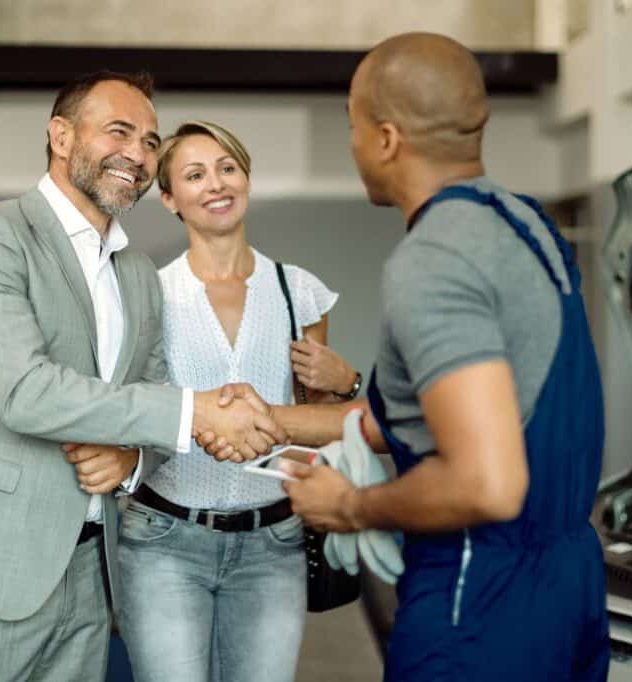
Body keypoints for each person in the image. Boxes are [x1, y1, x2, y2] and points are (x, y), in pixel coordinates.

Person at [216, 33, 610, 680]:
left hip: (479, 594)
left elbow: (487, 482)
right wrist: (268, 421)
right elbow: (387, 419)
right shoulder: (528, 225)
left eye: (353, 125)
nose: (351, 144)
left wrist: (346, 506)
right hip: (570, 585)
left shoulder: (431, 261)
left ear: (388, 139)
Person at [0, 72, 284, 682]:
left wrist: (130, 462)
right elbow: (25, 392)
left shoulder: (138, 274)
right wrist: (195, 411)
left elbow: (145, 399)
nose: (139, 155)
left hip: (90, 573)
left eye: (150, 142)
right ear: (61, 136)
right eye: (119, 131)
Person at [117, 120, 360, 682]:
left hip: (272, 545)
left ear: (246, 178)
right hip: (164, 543)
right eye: (195, 175)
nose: (216, 184)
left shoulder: (298, 292)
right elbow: (129, 409)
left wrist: (345, 384)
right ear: (170, 197)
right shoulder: (149, 295)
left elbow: (325, 422)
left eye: (228, 168)